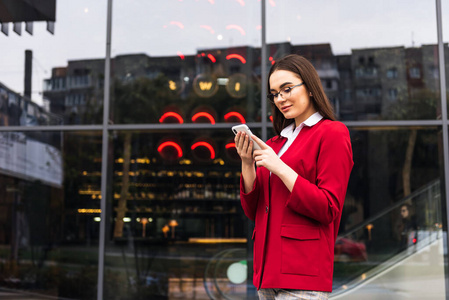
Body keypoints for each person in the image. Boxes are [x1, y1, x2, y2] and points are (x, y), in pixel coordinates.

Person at [234, 54, 353, 299]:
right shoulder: (274, 144)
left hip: (303, 273)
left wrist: (280, 168)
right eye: (274, 94)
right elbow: (253, 210)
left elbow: (329, 207)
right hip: (266, 274)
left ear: (310, 87)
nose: (280, 99)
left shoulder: (332, 133)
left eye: (287, 89)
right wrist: (247, 164)